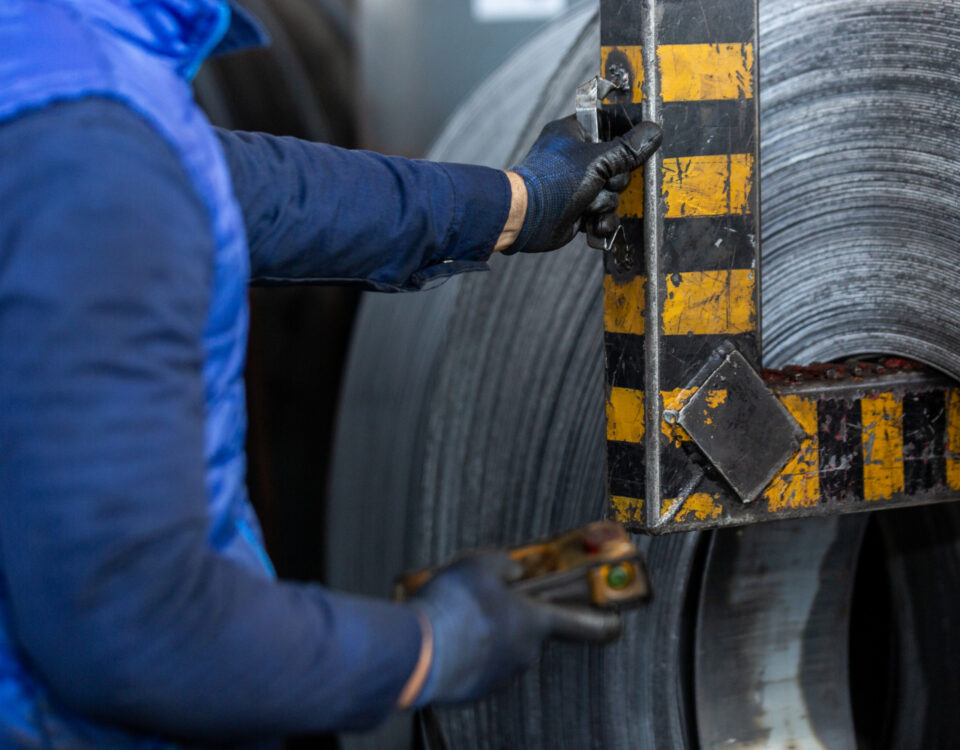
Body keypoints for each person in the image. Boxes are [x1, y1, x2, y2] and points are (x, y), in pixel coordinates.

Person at [0, 1, 662, 747]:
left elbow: (232, 186)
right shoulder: (86, 147)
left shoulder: (54, 61)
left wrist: (515, 203)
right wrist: (425, 650)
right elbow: (138, 631)